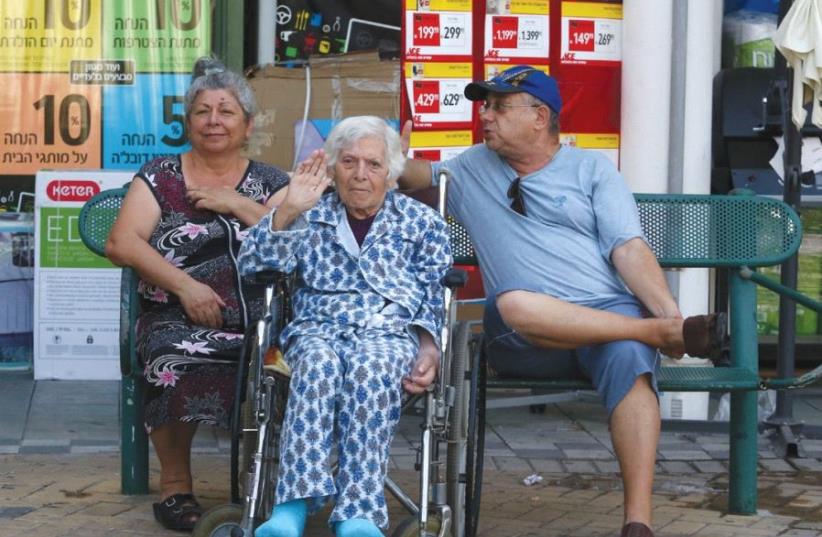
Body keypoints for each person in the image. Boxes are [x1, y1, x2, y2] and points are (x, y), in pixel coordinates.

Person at [399, 65, 727, 537]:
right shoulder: (470, 167)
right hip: (527, 336)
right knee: (512, 304)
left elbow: (628, 248)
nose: (484, 115)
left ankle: (638, 523)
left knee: (631, 361)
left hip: (606, 318)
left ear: (539, 116)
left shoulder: (592, 169)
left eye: (497, 106)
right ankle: (652, 334)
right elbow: (411, 176)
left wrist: (669, 314)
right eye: (484, 105)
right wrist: (386, 155)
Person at [237, 116, 451, 537]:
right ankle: (292, 507)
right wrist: (288, 210)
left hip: (389, 333)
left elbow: (434, 293)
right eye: (349, 162)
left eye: (373, 164)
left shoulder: (422, 222)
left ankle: (359, 514)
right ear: (332, 168)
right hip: (316, 328)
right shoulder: (309, 212)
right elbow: (252, 267)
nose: (360, 174)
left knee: (372, 370)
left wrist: (430, 347)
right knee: (315, 364)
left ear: (391, 172)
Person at [105, 57, 291, 531]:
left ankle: (275, 486)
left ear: (248, 125)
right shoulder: (162, 175)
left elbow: (296, 243)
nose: (213, 121)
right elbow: (121, 242)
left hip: (261, 323)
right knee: (170, 357)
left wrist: (237, 204)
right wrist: (186, 286)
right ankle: (175, 489)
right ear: (187, 122)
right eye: (202, 111)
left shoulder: (271, 182)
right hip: (176, 317)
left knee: (295, 360)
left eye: (226, 111)